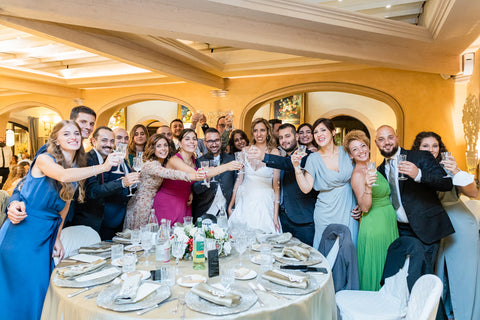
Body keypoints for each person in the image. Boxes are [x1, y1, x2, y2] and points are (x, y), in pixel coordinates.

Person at [0, 120, 121, 319]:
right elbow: (62, 176)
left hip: (46, 234)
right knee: (21, 290)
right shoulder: (44, 159)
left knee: (42, 289)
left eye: (76, 133)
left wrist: (56, 238)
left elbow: (63, 209)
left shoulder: (75, 167)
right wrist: (104, 167)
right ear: (56, 139)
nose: (73, 137)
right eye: (66, 134)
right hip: (22, 232)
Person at [412, 131, 479, 320]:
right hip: (435, 228)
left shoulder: (448, 166)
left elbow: (473, 192)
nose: (431, 150)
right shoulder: (413, 168)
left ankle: (468, 316)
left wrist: (457, 171)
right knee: (440, 276)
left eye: (435, 146)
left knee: (463, 276)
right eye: (426, 146)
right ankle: (446, 314)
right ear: (418, 149)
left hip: (461, 227)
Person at [375, 125, 454, 272]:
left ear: (397, 138)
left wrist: (419, 174)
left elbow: (446, 183)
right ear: (376, 143)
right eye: (381, 139)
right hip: (399, 229)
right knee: (403, 275)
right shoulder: (379, 170)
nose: (387, 142)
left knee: (424, 277)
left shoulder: (420, 156)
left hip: (426, 228)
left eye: (390, 137)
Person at [7, 105, 97, 225]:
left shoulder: (79, 152)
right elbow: (26, 181)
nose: (88, 127)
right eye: (83, 122)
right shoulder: (50, 150)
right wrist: (13, 203)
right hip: (38, 218)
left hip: (63, 216)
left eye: (91, 124)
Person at [343, 130, 398, 291]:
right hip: (375, 226)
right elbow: (365, 206)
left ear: (368, 147)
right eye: (355, 149)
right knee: (379, 267)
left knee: (389, 265)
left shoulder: (373, 167)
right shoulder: (358, 174)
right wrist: (367, 186)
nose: (361, 151)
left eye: (362, 146)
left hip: (387, 222)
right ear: (351, 155)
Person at [293, 118, 358, 248]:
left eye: (323, 130)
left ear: (333, 132)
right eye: (316, 132)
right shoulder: (313, 158)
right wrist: (296, 167)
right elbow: (306, 188)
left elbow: (361, 174)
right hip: (325, 212)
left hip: (348, 209)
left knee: (348, 249)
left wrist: (361, 203)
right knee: (327, 249)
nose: (319, 134)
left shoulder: (347, 152)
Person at [153, 129, 240, 225]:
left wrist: (190, 191)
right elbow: (198, 175)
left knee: (184, 235)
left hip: (185, 203)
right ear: (180, 144)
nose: (191, 142)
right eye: (187, 139)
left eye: (194, 139)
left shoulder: (194, 160)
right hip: (168, 202)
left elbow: (190, 181)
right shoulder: (175, 160)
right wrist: (227, 166)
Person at [248, 123, 317, 245]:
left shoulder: (306, 155)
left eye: (287, 136)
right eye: (281, 138)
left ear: (296, 137)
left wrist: (263, 156)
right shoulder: (284, 157)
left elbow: (289, 164)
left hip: (302, 219)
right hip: (284, 219)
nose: (284, 141)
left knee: (305, 259)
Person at [124, 133, 205, 230]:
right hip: (143, 204)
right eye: (158, 146)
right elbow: (171, 174)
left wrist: (190, 191)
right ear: (152, 148)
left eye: (165, 145)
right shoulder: (151, 165)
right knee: (141, 236)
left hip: (154, 202)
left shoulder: (163, 162)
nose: (163, 148)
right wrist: (195, 175)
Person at [72, 127, 139, 239]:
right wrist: (122, 183)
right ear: (94, 141)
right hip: (90, 221)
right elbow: (92, 191)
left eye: (112, 141)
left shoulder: (110, 158)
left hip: (110, 220)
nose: (109, 144)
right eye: (104, 140)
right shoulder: (86, 159)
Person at [228, 118, 281, 233]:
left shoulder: (275, 153)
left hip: (264, 202)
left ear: (268, 132)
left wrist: (275, 216)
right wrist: (231, 205)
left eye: (262, 130)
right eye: (256, 130)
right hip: (245, 200)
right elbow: (239, 180)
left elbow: (276, 186)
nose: (259, 134)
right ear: (252, 133)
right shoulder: (245, 151)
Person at [192, 128, 237, 221]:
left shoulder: (231, 159)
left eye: (216, 140)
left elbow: (237, 184)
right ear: (204, 143)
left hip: (227, 212)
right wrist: (205, 180)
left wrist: (233, 207)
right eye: (210, 141)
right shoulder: (198, 162)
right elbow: (195, 189)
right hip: (205, 211)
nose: (214, 144)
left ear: (221, 141)